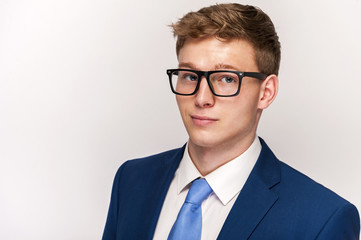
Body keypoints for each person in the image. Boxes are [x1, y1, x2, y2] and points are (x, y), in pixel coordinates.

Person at [102, 3, 360, 239]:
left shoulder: (322, 219)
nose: (202, 98)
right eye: (190, 76)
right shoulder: (131, 180)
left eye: (226, 79)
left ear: (265, 92)